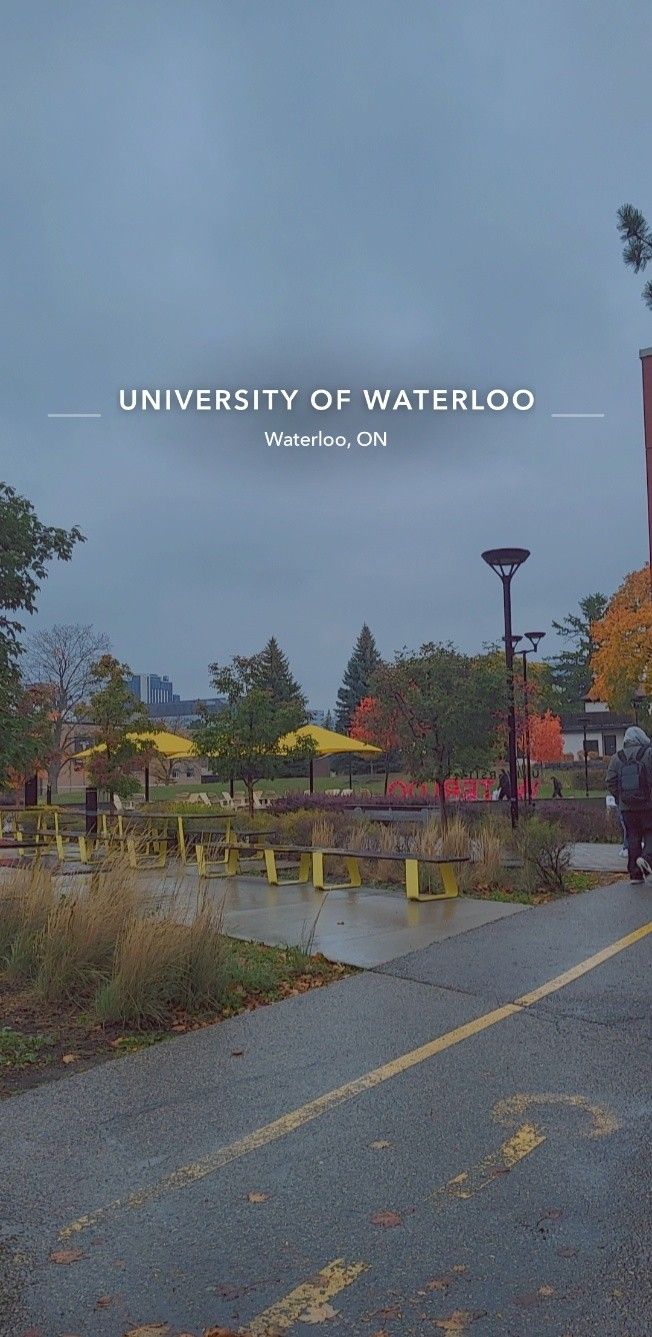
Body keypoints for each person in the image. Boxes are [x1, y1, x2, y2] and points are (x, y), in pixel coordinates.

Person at [606, 726, 652, 883]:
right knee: (650, 832)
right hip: (648, 806)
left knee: (633, 836)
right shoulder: (649, 753)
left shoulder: (616, 758)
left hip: (627, 808)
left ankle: (635, 874)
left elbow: (610, 781)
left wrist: (620, 799)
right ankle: (646, 859)